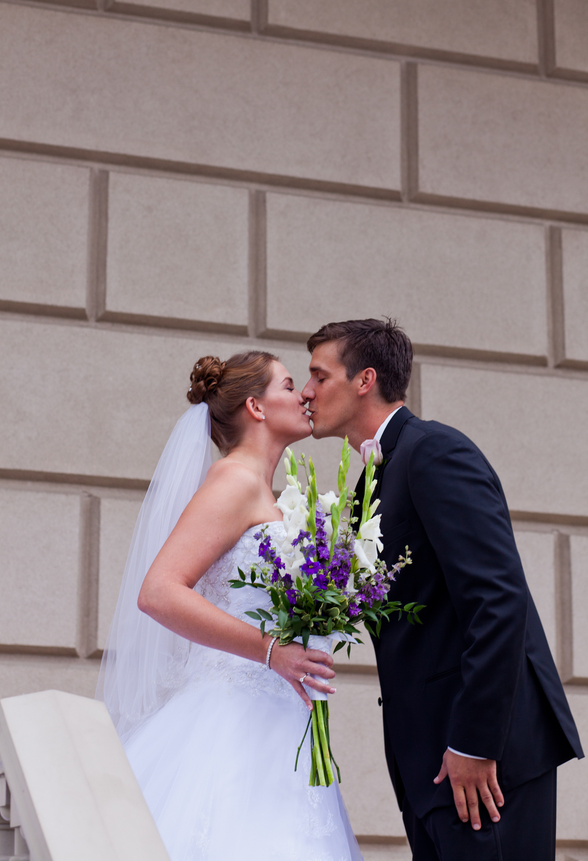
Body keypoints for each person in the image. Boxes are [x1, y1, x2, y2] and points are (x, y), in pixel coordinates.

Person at [301, 318, 583, 861]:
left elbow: (499, 600)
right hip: (429, 764)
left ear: (365, 379)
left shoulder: (435, 454)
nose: (307, 391)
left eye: (318, 375)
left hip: (485, 762)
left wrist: (474, 742)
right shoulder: (369, 485)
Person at [97, 350, 362, 861]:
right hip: (232, 719)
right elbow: (159, 591)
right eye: (289, 385)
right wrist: (272, 651)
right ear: (256, 407)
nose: (304, 394)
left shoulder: (272, 493)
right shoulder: (234, 480)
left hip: (281, 719)